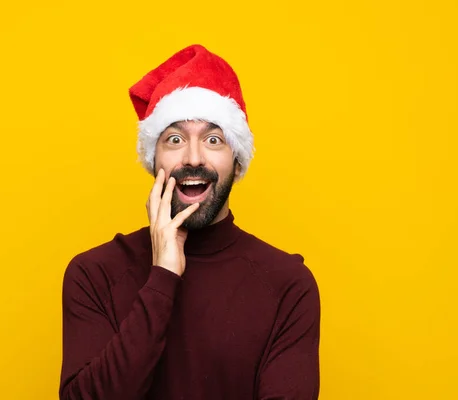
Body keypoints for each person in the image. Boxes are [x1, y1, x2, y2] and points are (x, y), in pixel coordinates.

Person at [59, 44, 321, 400]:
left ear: (238, 162)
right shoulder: (95, 274)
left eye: (213, 139)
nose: (194, 157)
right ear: (154, 161)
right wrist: (162, 276)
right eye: (175, 139)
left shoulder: (288, 285)